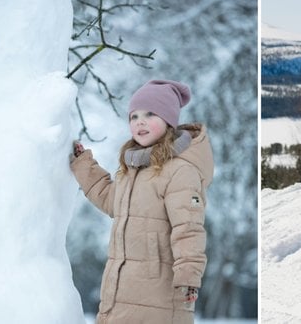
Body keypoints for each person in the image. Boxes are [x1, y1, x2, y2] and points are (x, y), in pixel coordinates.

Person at [70, 79, 213, 324]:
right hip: (120, 291)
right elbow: (109, 198)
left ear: (168, 120)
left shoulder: (180, 171)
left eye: (150, 114)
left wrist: (189, 278)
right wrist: (84, 164)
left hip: (160, 294)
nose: (140, 121)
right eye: (133, 116)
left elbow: (188, 229)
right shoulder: (132, 169)